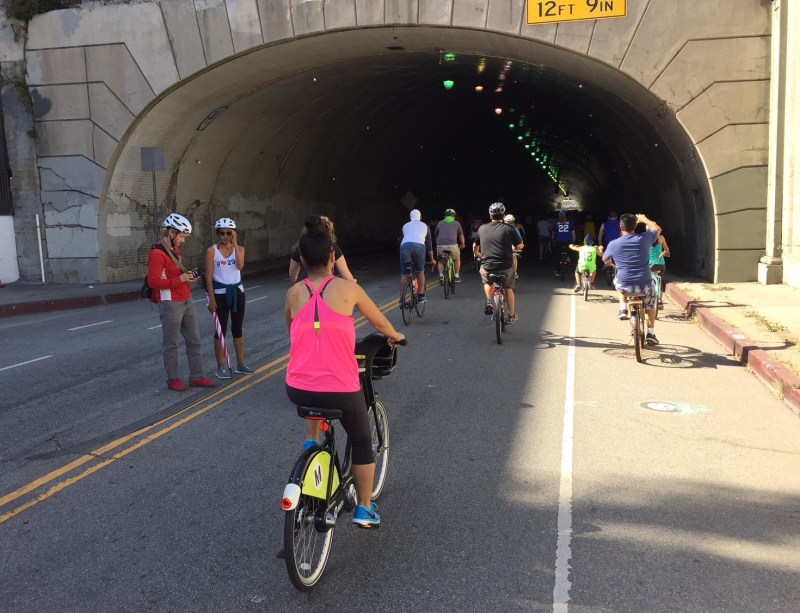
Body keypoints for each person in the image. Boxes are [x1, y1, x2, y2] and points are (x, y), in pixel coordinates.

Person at [284, 222, 405, 528]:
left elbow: (296, 336)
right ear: (330, 257)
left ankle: (311, 444)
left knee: (312, 381)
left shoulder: (293, 293)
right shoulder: (348, 288)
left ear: (303, 261)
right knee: (363, 441)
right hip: (339, 388)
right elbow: (380, 323)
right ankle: (364, 507)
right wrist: (395, 335)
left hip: (296, 387)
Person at [146, 213, 216, 392]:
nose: (183, 240)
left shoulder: (175, 250)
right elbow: (153, 282)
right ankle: (172, 379)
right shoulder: (157, 253)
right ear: (171, 232)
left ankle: (196, 376)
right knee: (171, 343)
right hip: (170, 303)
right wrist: (181, 279)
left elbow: (175, 275)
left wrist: (186, 277)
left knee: (195, 340)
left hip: (186, 299)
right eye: (182, 235)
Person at [602, 213, 662, 345]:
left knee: (617, 280)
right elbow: (657, 229)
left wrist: (609, 262)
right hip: (644, 283)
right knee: (651, 305)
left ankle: (623, 308)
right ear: (635, 226)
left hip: (625, 284)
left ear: (620, 227)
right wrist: (644, 219)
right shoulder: (644, 238)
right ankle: (651, 333)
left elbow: (605, 259)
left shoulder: (613, 244)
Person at [205, 217, 253, 378]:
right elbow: (209, 277)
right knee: (220, 331)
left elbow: (239, 266)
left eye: (228, 233)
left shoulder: (239, 249)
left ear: (233, 233)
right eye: (222, 233)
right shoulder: (212, 251)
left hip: (237, 291)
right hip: (220, 294)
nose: (225, 236)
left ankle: (241, 364)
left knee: (237, 328)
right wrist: (211, 299)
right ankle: (221, 366)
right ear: (218, 234)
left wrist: (236, 243)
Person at [473, 202, 523, 323]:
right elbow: (520, 245)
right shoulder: (509, 228)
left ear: (490, 216)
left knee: (487, 281)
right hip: (505, 266)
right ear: (503, 215)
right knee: (508, 288)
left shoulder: (482, 228)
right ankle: (511, 315)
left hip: (488, 265)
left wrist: (477, 254)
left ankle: (489, 301)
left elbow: (475, 245)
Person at [288, 216, 356, 283]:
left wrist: (300, 285)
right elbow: (346, 277)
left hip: (305, 287)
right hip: (327, 286)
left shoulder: (300, 247)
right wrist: (353, 283)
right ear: (332, 256)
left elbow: (292, 275)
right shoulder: (332, 247)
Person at [400, 209, 435, 303]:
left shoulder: (405, 226)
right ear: (420, 217)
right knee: (420, 272)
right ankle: (421, 295)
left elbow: (404, 239)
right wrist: (432, 259)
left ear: (410, 217)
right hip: (419, 246)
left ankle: (402, 299)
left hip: (404, 247)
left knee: (405, 274)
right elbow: (428, 244)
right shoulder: (425, 226)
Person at [435, 208, 466, 283]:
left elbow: (436, 235)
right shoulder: (457, 223)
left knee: (440, 261)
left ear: (445, 216)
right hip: (453, 246)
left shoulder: (440, 223)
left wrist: (437, 245)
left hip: (441, 246)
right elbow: (461, 236)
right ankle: (456, 275)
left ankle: (441, 276)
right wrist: (463, 244)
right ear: (454, 216)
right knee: (457, 258)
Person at [649, 232, 671, 307]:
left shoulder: (644, 238)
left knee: (646, 279)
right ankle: (660, 299)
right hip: (660, 264)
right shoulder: (661, 238)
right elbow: (666, 249)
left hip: (649, 265)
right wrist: (666, 252)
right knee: (659, 279)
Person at [551, 210, 575, 275]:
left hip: (559, 241)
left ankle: (557, 270)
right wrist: (573, 241)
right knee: (571, 250)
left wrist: (553, 240)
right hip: (568, 241)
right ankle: (569, 257)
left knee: (557, 255)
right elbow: (573, 234)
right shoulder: (570, 224)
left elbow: (553, 234)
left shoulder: (556, 224)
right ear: (565, 217)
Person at [504, 213, 525, 278]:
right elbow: (520, 241)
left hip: (504, 248)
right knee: (514, 258)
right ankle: (514, 272)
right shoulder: (515, 229)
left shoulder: (501, 229)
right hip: (512, 248)